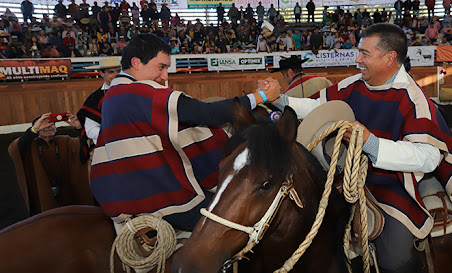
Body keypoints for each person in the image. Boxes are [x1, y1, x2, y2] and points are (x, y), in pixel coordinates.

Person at [261, 23, 452, 273]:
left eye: (364, 53)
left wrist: (371, 143)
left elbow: (429, 156)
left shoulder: (414, 100)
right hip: (348, 176)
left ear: (390, 58)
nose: (357, 59)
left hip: (393, 184)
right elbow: (316, 106)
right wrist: (278, 99)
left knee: (394, 260)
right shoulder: (354, 84)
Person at [89, 34, 274, 232]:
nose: (165, 76)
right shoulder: (141, 94)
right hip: (162, 199)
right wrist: (262, 96)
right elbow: (207, 114)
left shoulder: (112, 95)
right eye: (161, 67)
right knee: (243, 220)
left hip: (126, 196)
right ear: (136, 63)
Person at [9, 112, 95, 215]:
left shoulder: (66, 142)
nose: (48, 126)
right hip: (41, 196)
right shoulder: (30, 146)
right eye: (43, 124)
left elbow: (86, 145)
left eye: (51, 124)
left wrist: (80, 127)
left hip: (67, 194)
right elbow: (16, 148)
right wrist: (33, 130)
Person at [77, 58, 121, 164]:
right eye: (111, 72)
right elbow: (91, 130)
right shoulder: (95, 99)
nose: (116, 75)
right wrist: (115, 133)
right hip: (108, 151)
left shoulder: (132, 91)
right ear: (101, 73)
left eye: (118, 71)